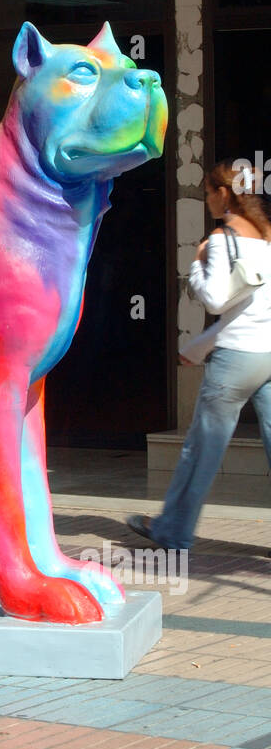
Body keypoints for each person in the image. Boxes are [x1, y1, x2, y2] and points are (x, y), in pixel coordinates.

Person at [128, 159, 271, 552]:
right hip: (269, 354)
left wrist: (196, 262)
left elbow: (213, 298)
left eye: (208, 192)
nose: (206, 199)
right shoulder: (267, 236)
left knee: (201, 451)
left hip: (236, 359)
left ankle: (173, 531)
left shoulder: (224, 239)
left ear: (224, 194)